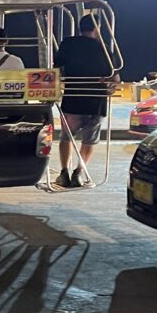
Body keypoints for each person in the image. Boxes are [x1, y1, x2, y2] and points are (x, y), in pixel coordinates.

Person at [53, 14, 118, 188]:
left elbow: (56, 65)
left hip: (73, 99)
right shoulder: (104, 48)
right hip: (96, 103)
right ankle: (78, 173)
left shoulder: (68, 44)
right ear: (97, 28)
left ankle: (64, 172)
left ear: (80, 27)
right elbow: (115, 78)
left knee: (67, 137)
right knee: (89, 141)